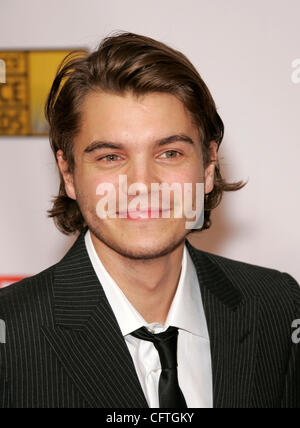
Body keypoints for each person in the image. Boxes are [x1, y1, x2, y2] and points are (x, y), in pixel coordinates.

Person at [0, 31, 299, 409]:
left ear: (208, 166)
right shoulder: (9, 334)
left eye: (170, 153)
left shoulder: (278, 306)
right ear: (69, 173)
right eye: (110, 157)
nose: (142, 185)